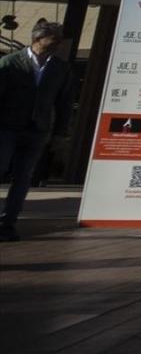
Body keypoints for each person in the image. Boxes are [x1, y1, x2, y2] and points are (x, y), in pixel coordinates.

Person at [0, 21, 75, 241]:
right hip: (7, 127)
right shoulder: (11, 62)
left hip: (37, 130)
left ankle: (8, 222)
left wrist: (60, 132)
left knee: (23, 177)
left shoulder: (61, 68)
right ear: (37, 39)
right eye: (53, 38)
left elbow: (65, 102)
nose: (58, 43)